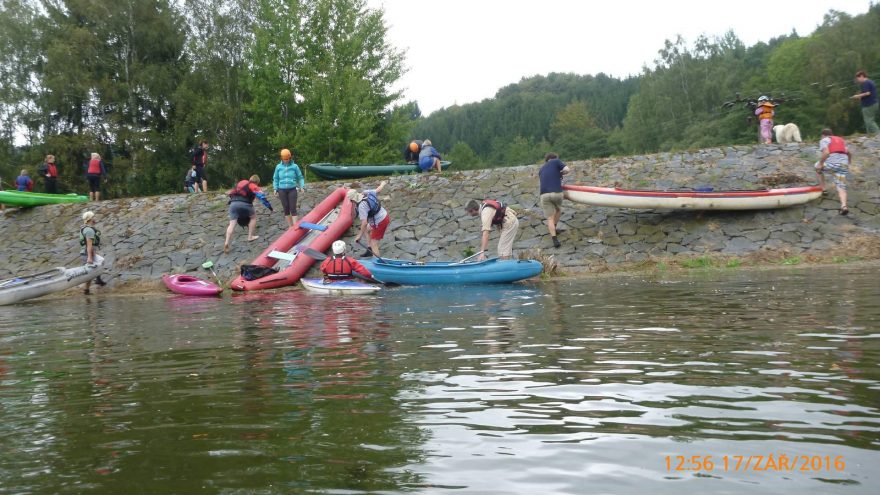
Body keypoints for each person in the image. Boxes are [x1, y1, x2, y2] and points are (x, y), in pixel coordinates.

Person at [224, 174, 273, 253]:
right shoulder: (254, 186)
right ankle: (250, 236)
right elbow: (262, 197)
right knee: (253, 218)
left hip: (233, 204)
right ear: (257, 182)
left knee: (231, 224)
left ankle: (226, 242)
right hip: (245, 203)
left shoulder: (242, 182)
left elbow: (233, 192)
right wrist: (270, 207)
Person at [347, 181, 390, 257]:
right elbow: (378, 190)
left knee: (374, 243)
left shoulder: (362, 206)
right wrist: (382, 183)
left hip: (380, 222)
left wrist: (359, 236)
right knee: (366, 229)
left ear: (353, 199)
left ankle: (377, 262)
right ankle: (370, 250)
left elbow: (364, 223)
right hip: (384, 215)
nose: (351, 202)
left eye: (351, 200)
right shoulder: (366, 192)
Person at [815, 128, 851, 216]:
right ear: (832, 134)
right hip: (843, 165)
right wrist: (849, 162)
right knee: (841, 186)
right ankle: (844, 206)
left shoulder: (824, 140)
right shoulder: (840, 140)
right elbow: (849, 152)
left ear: (823, 135)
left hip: (832, 164)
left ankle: (823, 189)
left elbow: (826, 153)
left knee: (816, 167)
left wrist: (820, 163)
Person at [538, 152, 571, 248]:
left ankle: (554, 239)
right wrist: (561, 172)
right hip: (556, 192)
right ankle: (555, 227)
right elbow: (567, 170)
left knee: (549, 218)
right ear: (554, 158)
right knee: (558, 210)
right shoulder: (556, 161)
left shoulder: (541, 169)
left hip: (544, 195)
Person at [272, 148, 305, 228]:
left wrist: (302, 186)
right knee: (286, 208)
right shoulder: (278, 167)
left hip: (292, 189)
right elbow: (275, 178)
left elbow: (300, 177)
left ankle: (295, 227)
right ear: (282, 158)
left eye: (287, 159)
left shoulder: (295, 166)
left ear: (290, 157)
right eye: (284, 159)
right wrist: (275, 188)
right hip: (282, 190)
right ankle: (290, 227)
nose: (286, 160)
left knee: (293, 208)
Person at [80, 211, 107, 294]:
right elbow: (89, 245)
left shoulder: (87, 228)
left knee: (98, 263)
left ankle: (90, 287)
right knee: (92, 270)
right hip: (87, 253)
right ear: (90, 219)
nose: (95, 218)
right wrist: (90, 257)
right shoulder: (89, 231)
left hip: (89, 252)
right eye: (93, 217)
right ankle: (87, 288)